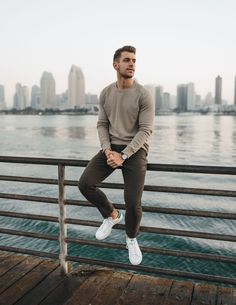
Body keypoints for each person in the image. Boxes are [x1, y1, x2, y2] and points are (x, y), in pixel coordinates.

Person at [79, 45, 154, 265]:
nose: (132, 64)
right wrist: (107, 150)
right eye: (127, 60)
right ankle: (112, 215)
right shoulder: (106, 93)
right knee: (85, 184)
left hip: (136, 150)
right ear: (116, 65)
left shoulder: (143, 94)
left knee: (132, 201)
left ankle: (131, 238)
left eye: (134, 60)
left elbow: (146, 130)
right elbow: (102, 124)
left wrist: (125, 155)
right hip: (111, 148)